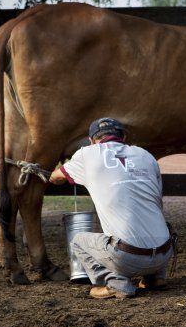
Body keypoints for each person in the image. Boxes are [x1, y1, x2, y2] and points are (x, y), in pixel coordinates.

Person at [49, 118, 175, 299]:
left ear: (92, 140)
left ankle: (116, 283)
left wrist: (48, 174)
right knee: (152, 218)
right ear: (123, 137)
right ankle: (155, 277)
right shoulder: (145, 155)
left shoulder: (87, 154)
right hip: (164, 253)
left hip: (128, 258)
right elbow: (157, 199)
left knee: (78, 240)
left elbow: (56, 177)